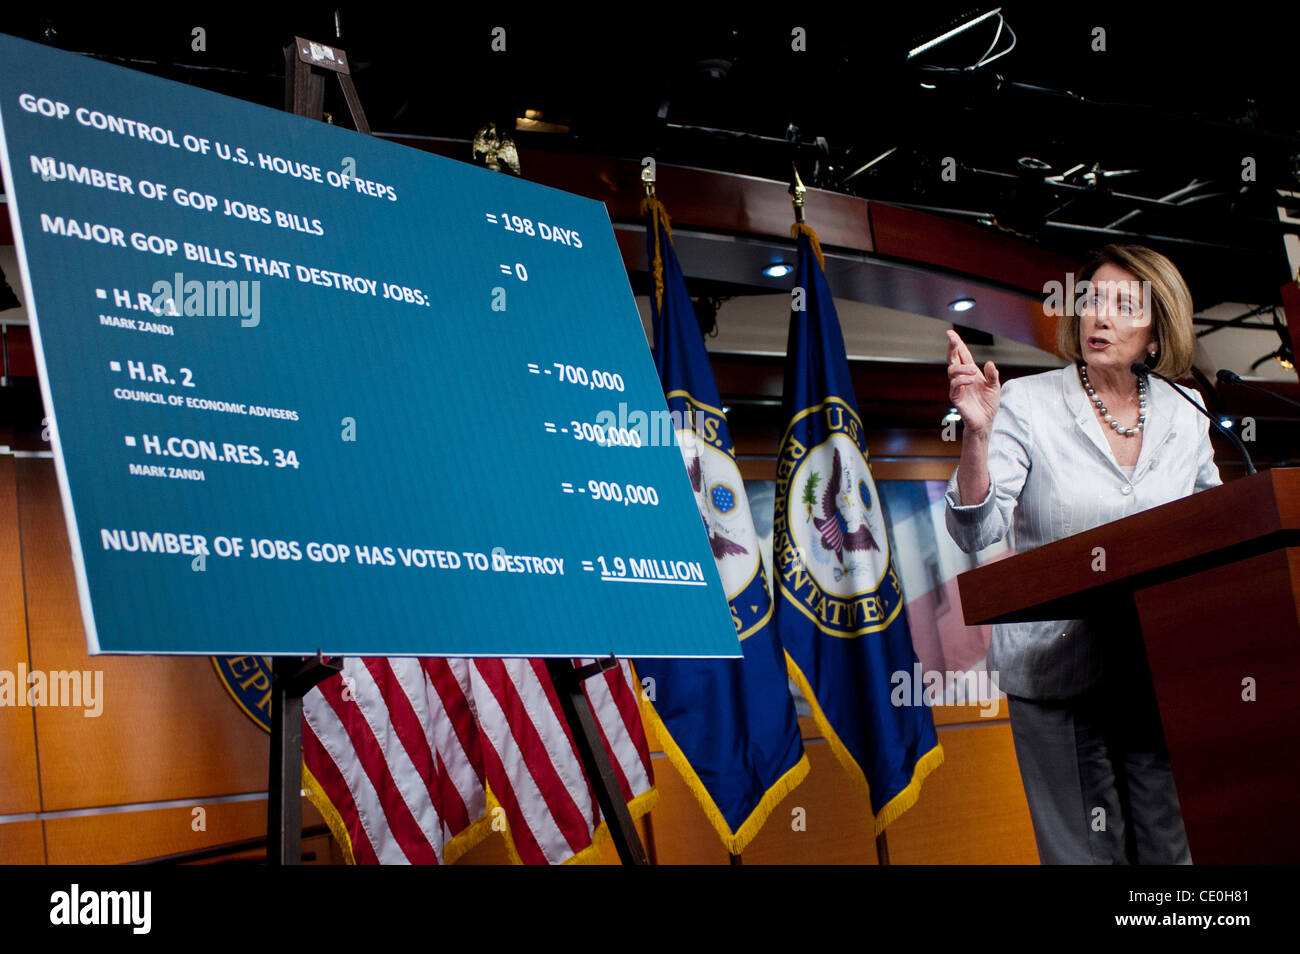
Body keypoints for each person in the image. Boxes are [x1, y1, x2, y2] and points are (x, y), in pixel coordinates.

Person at [943, 244, 1221, 864]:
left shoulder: (1188, 412)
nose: (1100, 316)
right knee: (1086, 856)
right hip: (1056, 671)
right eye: (1093, 299)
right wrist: (978, 438)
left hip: (1157, 669)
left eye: (1125, 305)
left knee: (1169, 854)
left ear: (1156, 333)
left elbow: (1217, 533)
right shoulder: (1026, 403)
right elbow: (976, 531)